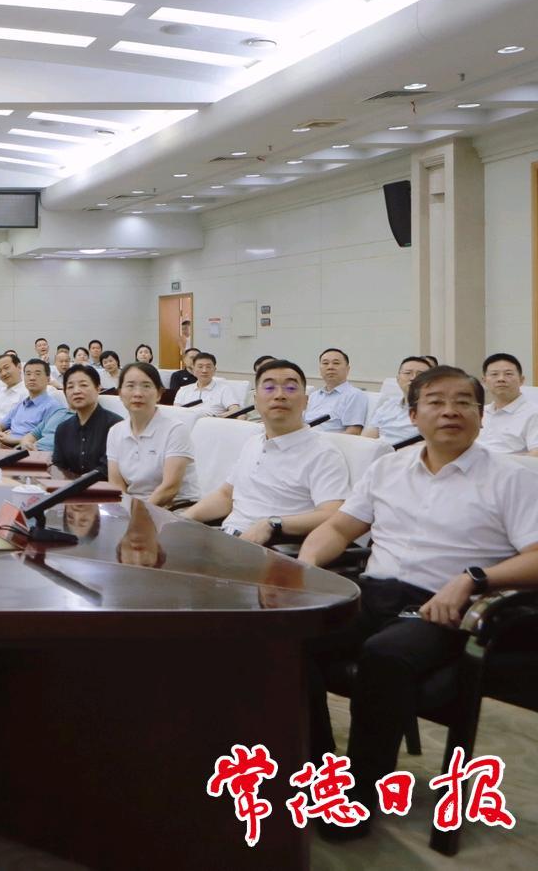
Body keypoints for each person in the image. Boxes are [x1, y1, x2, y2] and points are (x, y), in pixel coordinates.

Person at [300, 365, 538, 838]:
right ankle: (321, 774)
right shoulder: (387, 467)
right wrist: (306, 567)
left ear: (481, 415)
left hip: (444, 606)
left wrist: (474, 578)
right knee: (290, 640)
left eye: (464, 402)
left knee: (384, 655)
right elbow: (339, 527)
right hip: (372, 593)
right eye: (436, 402)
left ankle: (360, 796)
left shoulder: (513, 478)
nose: (450, 412)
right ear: (413, 415)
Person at [182, 360, 350, 544]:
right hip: (227, 537)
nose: (279, 395)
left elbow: (333, 513)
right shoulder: (253, 442)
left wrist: (273, 524)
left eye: (291, 388)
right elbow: (226, 495)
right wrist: (182, 519)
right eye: (269, 388)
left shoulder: (322, 453)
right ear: (255, 401)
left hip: (270, 547)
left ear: (305, 402)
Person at [106, 363, 199, 507]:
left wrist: (137, 514)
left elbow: (169, 488)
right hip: (134, 507)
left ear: (159, 394)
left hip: (176, 508)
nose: (138, 393)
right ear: (120, 393)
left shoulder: (175, 430)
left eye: (146, 386)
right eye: (130, 386)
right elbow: (116, 485)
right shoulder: (115, 431)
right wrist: (124, 512)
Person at [51, 364, 124, 478]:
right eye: (70, 387)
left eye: (83, 385)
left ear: (98, 388)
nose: (76, 391)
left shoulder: (116, 425)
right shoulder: (63, 429)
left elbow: (108, 469)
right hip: (69, 487)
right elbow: (58, 467)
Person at [0, 359, 66, 448]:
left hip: (24, 450)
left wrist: (10, 439)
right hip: (3, 445)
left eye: (37, 374)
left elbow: (45, 440)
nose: (32, 378)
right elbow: (0, 425)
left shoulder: (53, 407)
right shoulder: (22, 404)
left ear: (48, 379)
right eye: (28, 374)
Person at [479, 352, 538, 455]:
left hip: (511, 465)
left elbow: (536, 453)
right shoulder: (479, 412)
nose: (501, 379)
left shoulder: (534, 413)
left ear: (521, 380)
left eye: (508, 374)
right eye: (494, 374)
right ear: (484, 381)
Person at [364, 356, 432, 446]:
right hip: (378, 451)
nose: (413, 378)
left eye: (420, 374)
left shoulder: (434, 411)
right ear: (398, 379)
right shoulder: (387, 406)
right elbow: (367, 438)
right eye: (408, 373)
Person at [306, 348, 368, 434]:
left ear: (347, 369)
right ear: (320, 369)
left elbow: (353, 431)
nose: (330, 367)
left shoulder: (354, 395)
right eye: (325, 363)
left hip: (329, 441)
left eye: (336, 363)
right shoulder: (314, 395)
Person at [173, 352, 243, 416]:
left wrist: (218, 418)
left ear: (214, 370)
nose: (204, 370)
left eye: (208, 367)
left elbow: (236, 410)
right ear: (193, 369)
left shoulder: (224, 389)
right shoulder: (183, 390)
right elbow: (175, 412)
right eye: (200, 367)